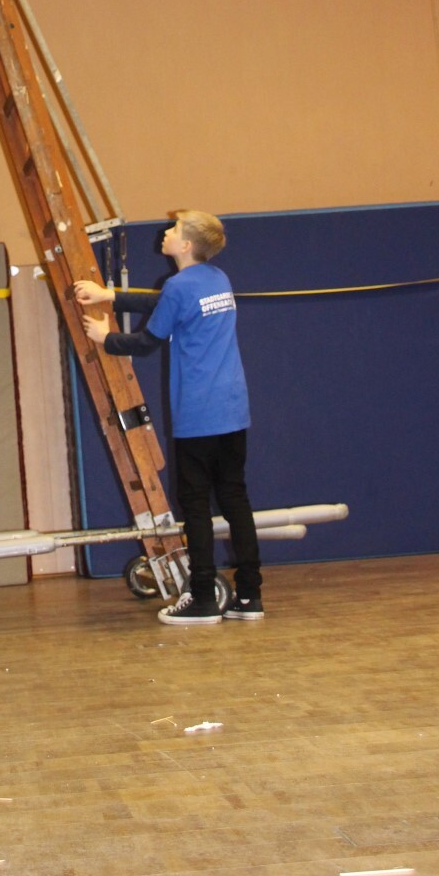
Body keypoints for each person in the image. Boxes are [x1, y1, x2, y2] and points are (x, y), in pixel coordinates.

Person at [76, 209, 263, 626]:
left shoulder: (179, 286)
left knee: (195, 505)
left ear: (187, 245)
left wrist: (107, 338)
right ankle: (250, 596)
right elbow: (166, 304)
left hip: (199, 413)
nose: (166, 232)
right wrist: (109, 296)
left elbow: (147, 341)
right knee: (234, 498)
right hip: (233, 407)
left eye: (175, 229)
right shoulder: (217, 279)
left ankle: (202, 598)